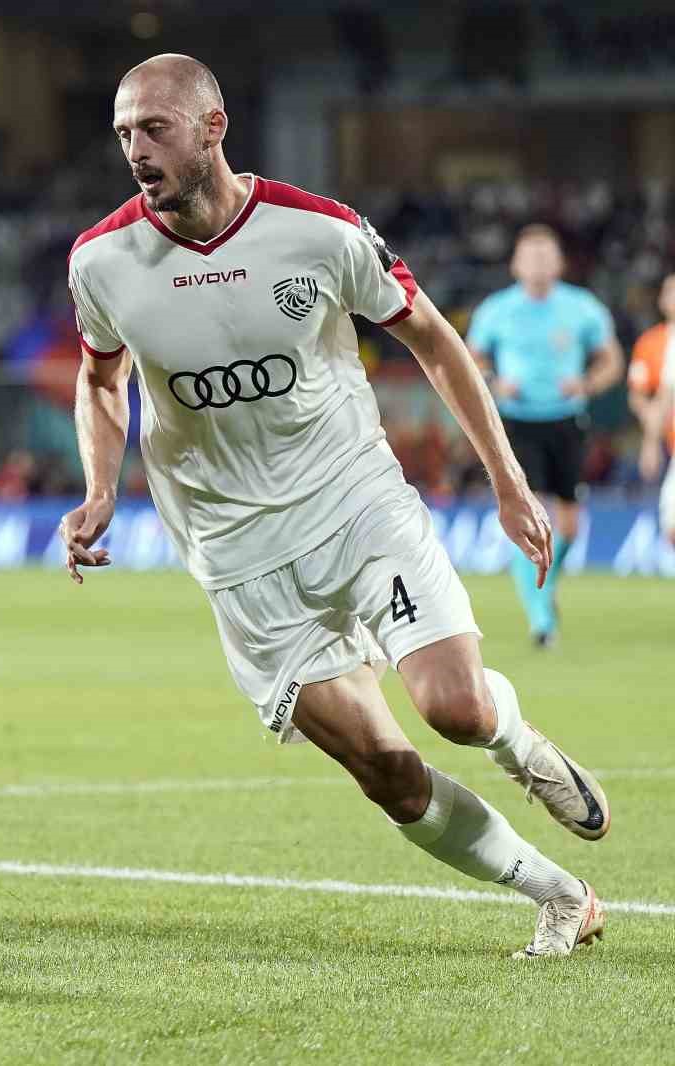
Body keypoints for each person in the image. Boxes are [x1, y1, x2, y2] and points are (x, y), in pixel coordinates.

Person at [61, 56, 609, 959]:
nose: (136, 151)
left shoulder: (319, 231)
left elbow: (434, 340)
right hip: (235, 552)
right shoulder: (101, 260)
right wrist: (99, 488)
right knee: (387, 775)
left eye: (155, 128)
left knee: (456, 709)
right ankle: (557, 894)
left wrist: (508, 482)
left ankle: (516, 742)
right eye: (123, 133)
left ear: (212, 127)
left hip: (355, 505)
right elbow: (100, 380)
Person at [466, 226, 624, 647]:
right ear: (516, 264)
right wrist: (494, 381)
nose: (537, 265)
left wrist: (588, 383)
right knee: (530, 514)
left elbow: (612, 360)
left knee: (570, 525)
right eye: (530, 257)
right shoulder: (497, 310)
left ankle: (546, 587)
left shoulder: (582, 307)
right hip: (517, 422)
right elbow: (470, 358)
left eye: (545, 257)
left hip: (567, 420)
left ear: (559, 263)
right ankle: (541, 621)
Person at [631, 273, 675, 545]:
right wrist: (651, 439)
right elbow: (658, 394)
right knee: (671, 527)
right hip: (670, 439)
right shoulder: (652, 343)